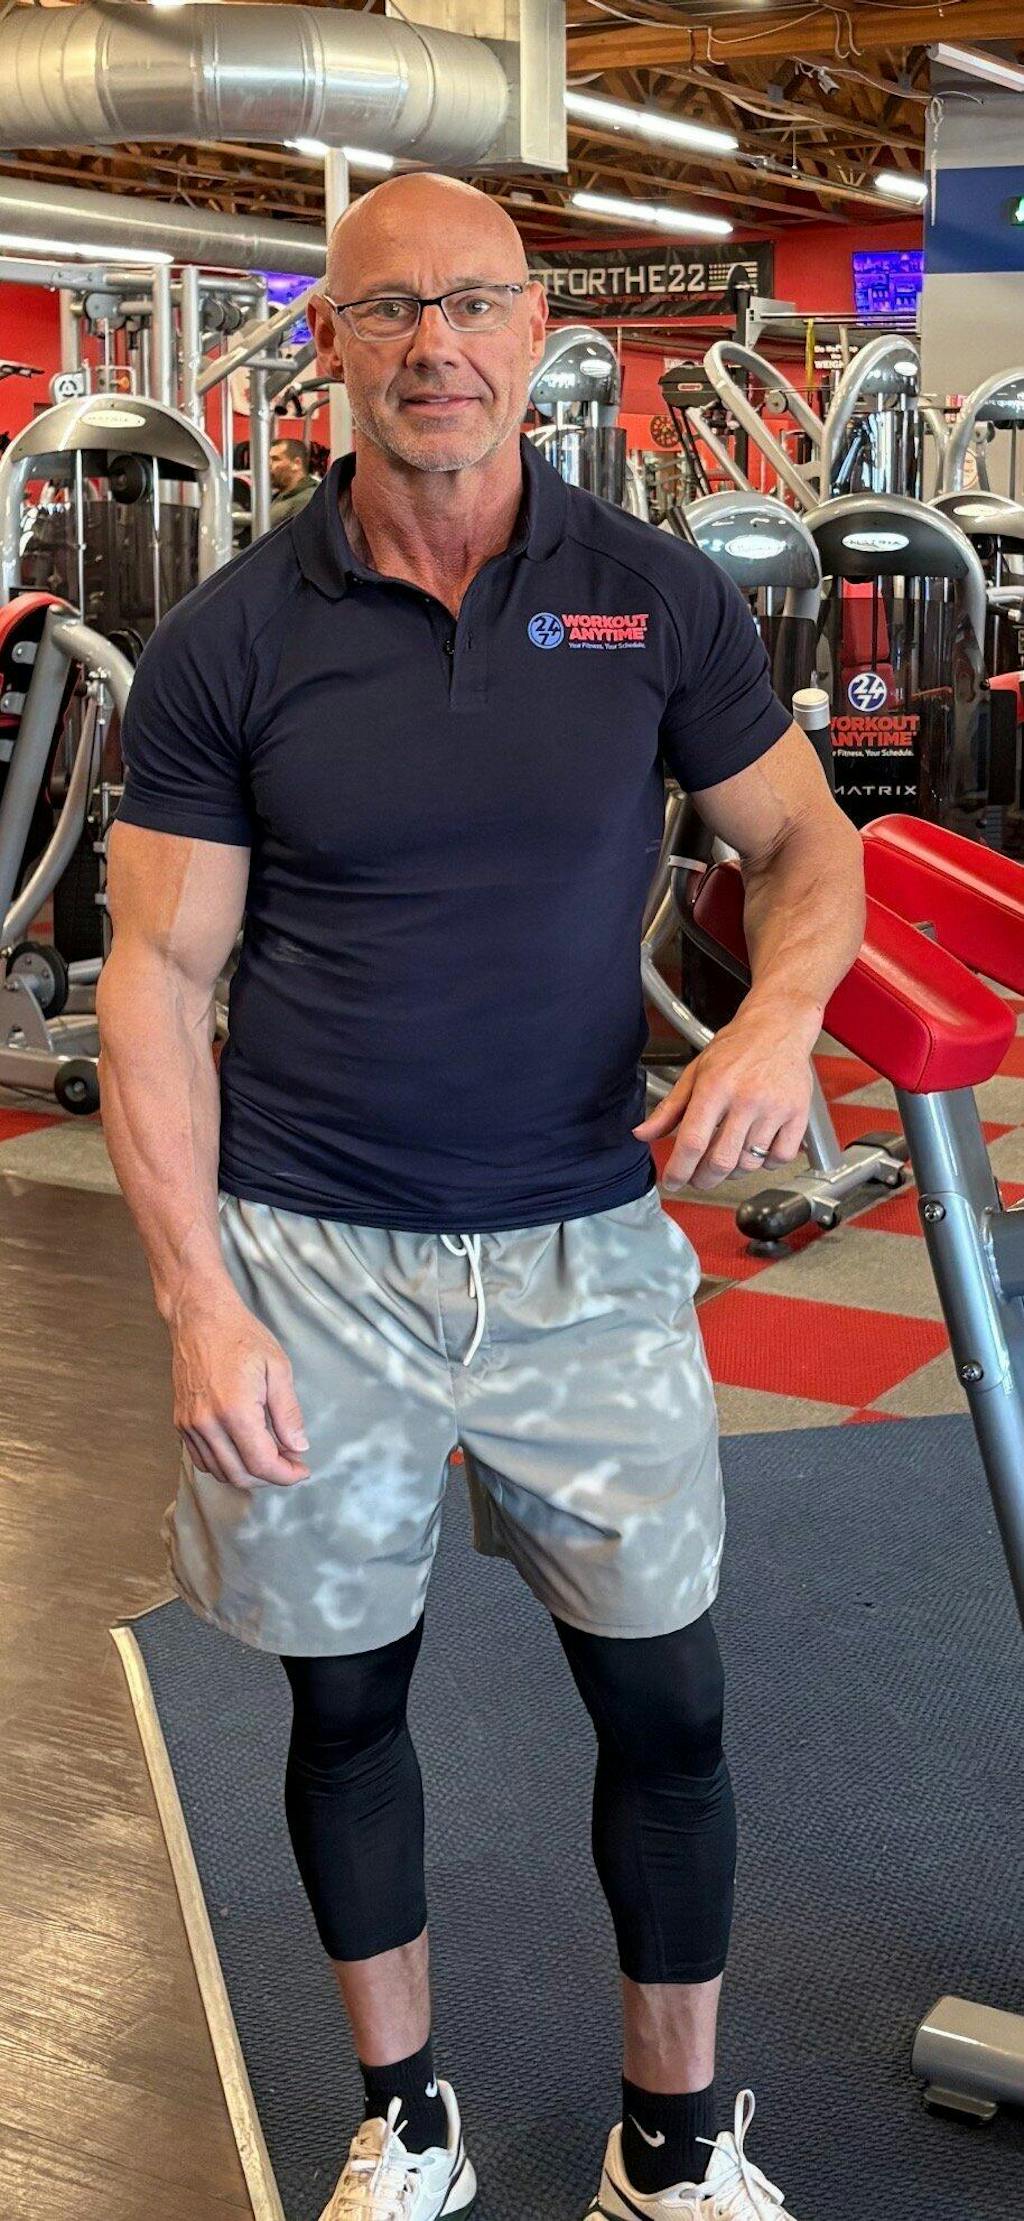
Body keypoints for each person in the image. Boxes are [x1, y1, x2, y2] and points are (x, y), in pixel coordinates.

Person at [97, 172, 865, 2221]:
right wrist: (197, 1302)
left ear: (534, 332)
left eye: (469, 305)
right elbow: (155, 980)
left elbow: (804, 843)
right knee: (344, 1706)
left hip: (579, 1242)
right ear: (329, 349)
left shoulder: (652, 596)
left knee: (666, 1703)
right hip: (309, 1254)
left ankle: (669, 2149)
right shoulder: (229, 638)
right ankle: (405, 2115)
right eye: (385, 311)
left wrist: (773, 1018)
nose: (431, 344)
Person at [268, 434, 319, 526]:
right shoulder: (281, 496)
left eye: (275, 459)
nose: (269, 465)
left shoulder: (307, 500)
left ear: (296, 464)